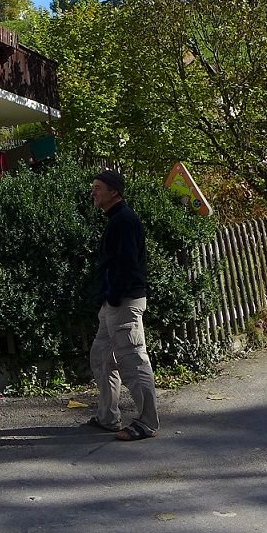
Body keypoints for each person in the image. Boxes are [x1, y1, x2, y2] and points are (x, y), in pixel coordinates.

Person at [87, 168, 159, 441]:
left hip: (124, 302)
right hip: (113, 302)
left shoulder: (125, 221)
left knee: (132, 361)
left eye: (98, 187)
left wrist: (115, 296)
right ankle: (108, 417)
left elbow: (128, 265)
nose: (93, 192)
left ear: (114, 192)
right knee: (102, 356)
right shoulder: (115, 219)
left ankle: (148, 422)